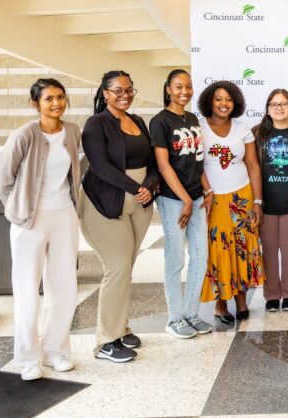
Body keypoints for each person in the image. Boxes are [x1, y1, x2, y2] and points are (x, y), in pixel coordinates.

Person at [0, 79, 81, 380]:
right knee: (27, 290)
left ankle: (56, 351)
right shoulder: (25, 135)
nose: (56, 103)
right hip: (29, 221)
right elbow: (5, 179)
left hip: (64, 215)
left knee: (63, 287)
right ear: (37, 103)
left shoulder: (72, 131)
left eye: (60, 97)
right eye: (49, 99)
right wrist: (18, 212)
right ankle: (28, 357)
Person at [81, 70, 159, 362]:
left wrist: (150, 185)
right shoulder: (96, 124)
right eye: (118, 90)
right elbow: (100, 166)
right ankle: (105, 341)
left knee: (127, 265)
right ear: (105, 93)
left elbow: (152, 159)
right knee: (116, 267)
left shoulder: (137, 121)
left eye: (129, 90)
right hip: (106, 203)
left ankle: (120, 327)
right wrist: (136, 187)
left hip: (140, 201)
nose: (125, 95)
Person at [151, 69, 213, 338]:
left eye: (188, 86)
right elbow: (164, 166)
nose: (184, 91)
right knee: (175, 259)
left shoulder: (192, 118)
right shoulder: (160, 121)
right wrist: (186, 199)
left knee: (200, 256)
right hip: (173, 200)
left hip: (196, 198)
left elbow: (196, 159)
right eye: (178, 86)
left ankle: (191, 313)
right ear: (168, 89)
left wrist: (206, 189)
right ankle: (174, 318)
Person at [198, 81, 265, 324]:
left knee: (242, 249)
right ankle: (220, 303)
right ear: (209, 102)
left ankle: (241, 299)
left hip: (242, 196)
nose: (223, 103)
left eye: (228, 99)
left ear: (235, 102)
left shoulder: (242, 128)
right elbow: (195, 166)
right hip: (213, 199)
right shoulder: (199, 128)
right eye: (218, 99)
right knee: (218, 250)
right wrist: (206, 190)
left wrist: (257, 201)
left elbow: (253, 165)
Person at [252, 89, 288, 313]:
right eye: (274, 104)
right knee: (270, 249)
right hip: (266, 202)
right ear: (267, 109)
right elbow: (251, 168)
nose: (279, 108)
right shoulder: (257, 133)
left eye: (284, 104)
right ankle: (272, 295)